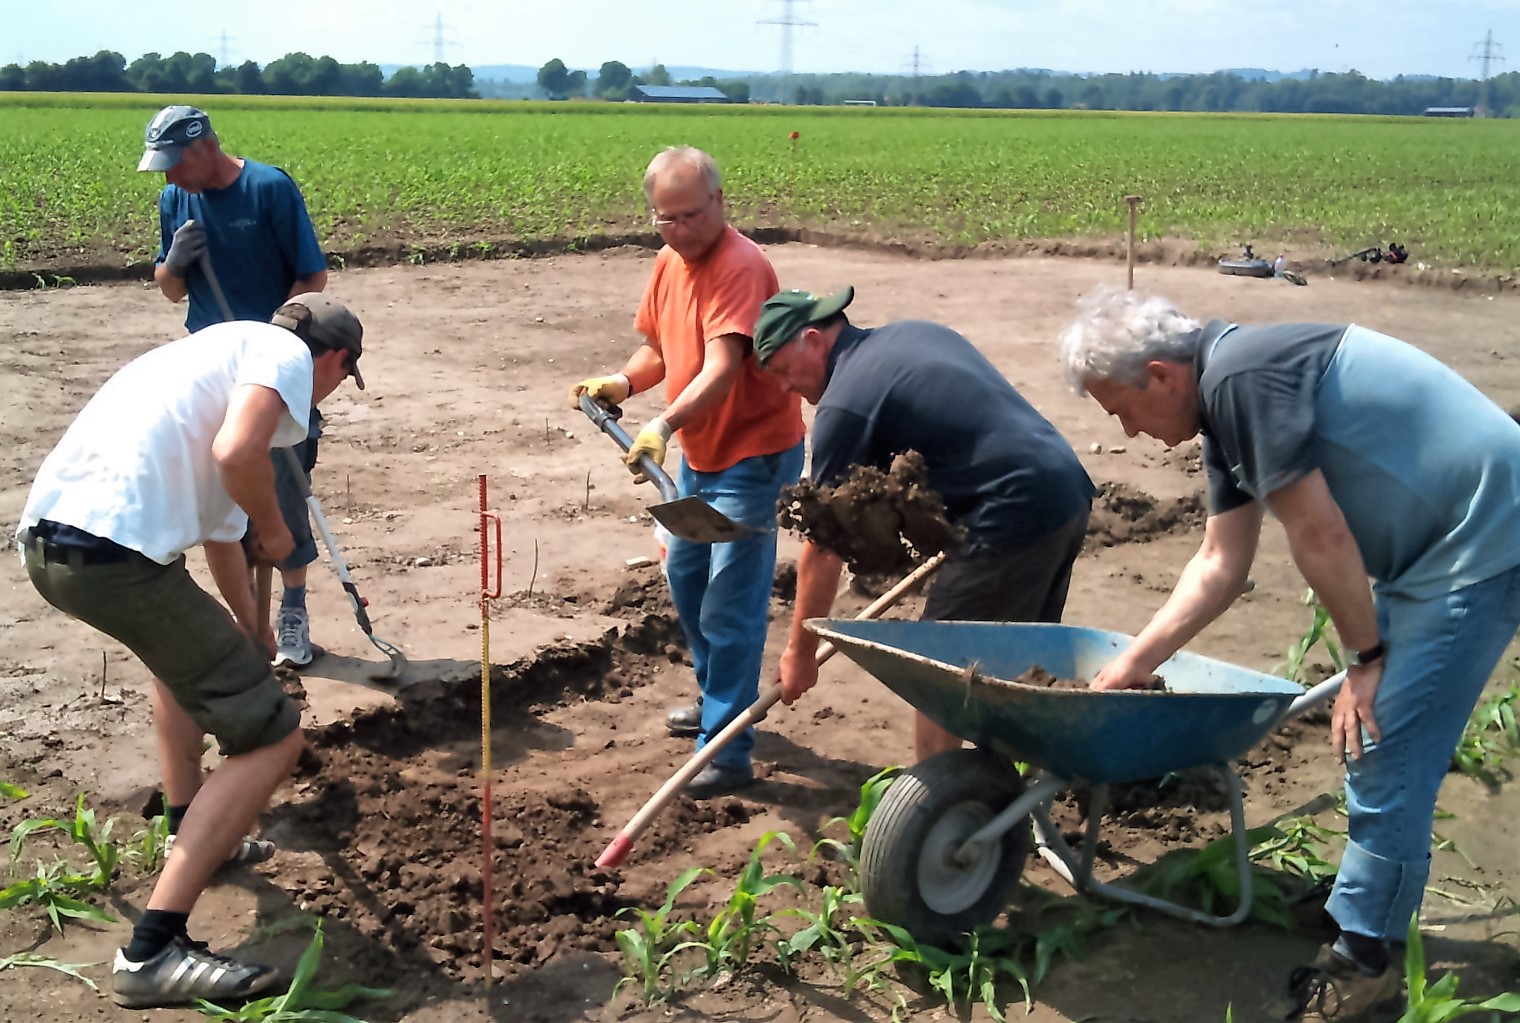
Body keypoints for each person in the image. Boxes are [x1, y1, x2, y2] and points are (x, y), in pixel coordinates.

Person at [1058, 286, 1520, 1022]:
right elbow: (1222, 562)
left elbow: (1320, 535)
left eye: (1123, 410)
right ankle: (1364, 906)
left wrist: (1366, 658)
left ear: (1162, 373)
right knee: (1375, 737)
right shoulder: (1225, 397)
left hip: (1481, 537)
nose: (1132, 432)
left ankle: (1366, 962)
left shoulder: (1240, 379)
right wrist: (1134, 665)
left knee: (1387, 738)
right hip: (1434, 548)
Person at [17, 294, 366, 1009]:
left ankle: (192, 823)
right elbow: (237, 458)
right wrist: (274, 530)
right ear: (334, 359)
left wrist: (251, 627)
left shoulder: (217, 355)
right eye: (339, 377)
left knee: (180, 663)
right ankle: (153, 951)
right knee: (273, 733)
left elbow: (216, 533)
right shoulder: (285, 358)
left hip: (54, 543)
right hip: (113, 555)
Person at [752, 286, 1096, 762]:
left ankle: (940, 813)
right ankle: (1010, 799)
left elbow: (823, 545)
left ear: (813, 340)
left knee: (940, 667)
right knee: (1016, 667)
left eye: (784, 372)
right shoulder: (910, 334)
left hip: (1009, 508)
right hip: (1065, 491)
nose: (787, 389)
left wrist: (800, 652)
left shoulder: (844, 404)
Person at [569, 146, 805, 798]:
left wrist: (663, 425)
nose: (678, 229)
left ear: (720, 204)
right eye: (664, 218)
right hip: (702, 455)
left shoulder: (742, 266)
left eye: (690, 215)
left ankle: (726, 752)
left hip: (752, 456)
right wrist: (621, 380)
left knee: (731, 602)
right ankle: (716, 706)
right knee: (687, 577)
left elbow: (722, 365)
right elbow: (660, 347)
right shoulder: (668, 262)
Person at [139, 104, 330, 669]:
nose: (169, 178)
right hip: (207, 370)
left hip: (269, 370)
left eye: (175, 164)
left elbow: (312, 276)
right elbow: (170, 290)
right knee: (224, 500)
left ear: (203, 148)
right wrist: (173, 264)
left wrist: (273, 339)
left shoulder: (268, 188)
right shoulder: (176, 199)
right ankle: (248, 630)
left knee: (282, 491)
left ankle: (291, 607)